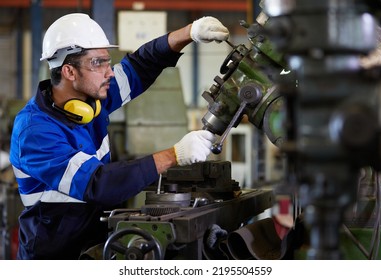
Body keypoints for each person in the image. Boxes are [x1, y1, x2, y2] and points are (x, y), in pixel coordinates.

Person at [9, 13, 229, 260]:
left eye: (107, 61)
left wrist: (189, 32)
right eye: (98, 63)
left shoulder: (91, 101)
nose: (109, 72)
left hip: (93, 244)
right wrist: (174, 154)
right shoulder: (34, 132)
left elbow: (140, 66)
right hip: (53, 259)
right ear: (69, 71)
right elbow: (98, 184)